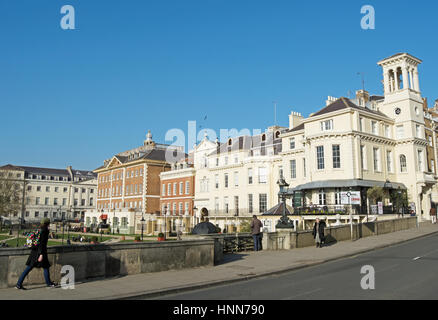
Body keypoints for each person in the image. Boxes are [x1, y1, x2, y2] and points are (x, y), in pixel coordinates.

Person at [16, 218, 57, 290]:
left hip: (34, 251)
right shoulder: (45, 231)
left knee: (31, 268)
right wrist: (41, 254)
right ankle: (49, 283)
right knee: (44, 267)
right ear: (47, 223)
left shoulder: (40, 229)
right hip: (40, 252)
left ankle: (18, 284)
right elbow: (42, 244)